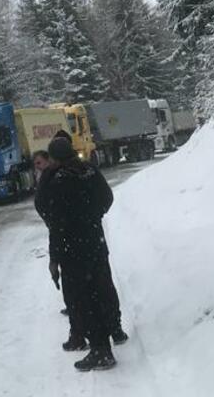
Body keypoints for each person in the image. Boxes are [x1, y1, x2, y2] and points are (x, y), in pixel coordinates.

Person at [42, 135, 128, 372]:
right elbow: (107, 198)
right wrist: (93, 216)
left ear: (55, 158)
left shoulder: (58, 181)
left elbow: (54, 221)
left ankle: (101, 350)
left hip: (72, 249)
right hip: (95, 242)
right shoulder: (89, 171)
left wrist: (54, 257)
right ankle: (114, 330)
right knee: (103, 289)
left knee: (84, 300)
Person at [34, 148, 85, 347]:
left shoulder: (55, 180)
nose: (38, 167)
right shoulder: (83, 171)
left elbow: (53, 215)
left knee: (75, 289)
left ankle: (82, 337)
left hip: (69, 241)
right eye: (35, 164)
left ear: (51, 159)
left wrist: (54, 257)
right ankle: (108, 331)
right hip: (82, 238)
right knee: (90, 287)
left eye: (40, 163)